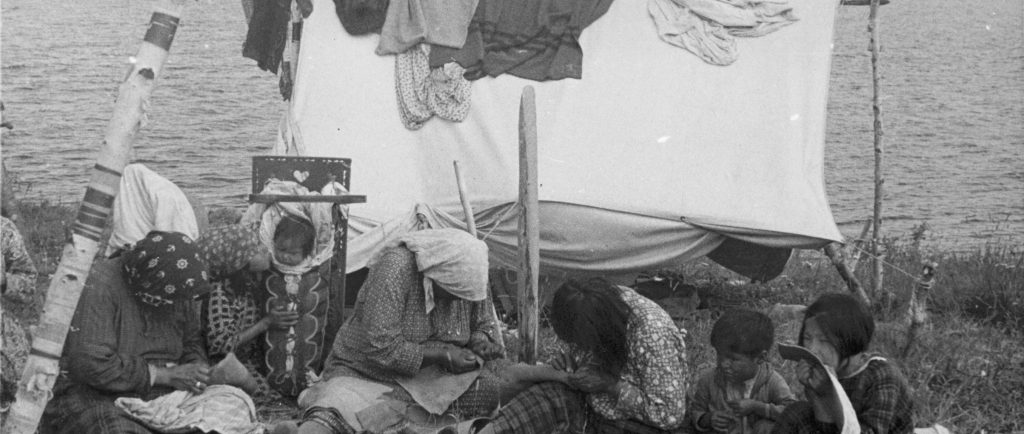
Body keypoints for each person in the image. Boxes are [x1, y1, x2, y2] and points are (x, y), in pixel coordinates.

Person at [289, 228, 507, 434]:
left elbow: (482, 322)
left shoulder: (472, 275)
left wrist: (480, 342)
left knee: (490, 389)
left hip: (430, 378)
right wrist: (443, 355)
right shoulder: (395, 268)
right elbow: (380, 347)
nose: (460, 301)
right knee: (343, 402)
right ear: (437, 274)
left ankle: (390, 415)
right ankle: (342, 414)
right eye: (455, 294)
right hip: (367, 372)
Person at [41, 231, 255, 434]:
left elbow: (191, 340)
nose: (179, 305)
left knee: (233, 403)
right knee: (109, 425)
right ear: (150, 285)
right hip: (103, 393)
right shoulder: (100, 284)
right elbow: (91, 365)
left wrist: (197, 368)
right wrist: (162, 375)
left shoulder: (180, 286)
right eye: (171, 301)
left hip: (168, 394)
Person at [479, 277, 688, 433]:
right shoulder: (595, 308)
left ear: (600, 331)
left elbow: (669, 415)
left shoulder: (652, 333)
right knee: (548, 395)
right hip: (591, 407)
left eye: (581, 343)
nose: (579, 348)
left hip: (634, 425)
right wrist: (569, 362)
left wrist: (611, 386)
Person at [772, 293, 914, 434]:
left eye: (824, 340)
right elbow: (825, 426)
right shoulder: (827, 371)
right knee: (796, 412)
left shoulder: (882, 376)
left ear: (849, 341)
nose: (812, 349)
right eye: (807, 338)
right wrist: (818, 396)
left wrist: (828, 393)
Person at [689, 309, 796, 434]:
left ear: (760, 358)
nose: (723, 364)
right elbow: (695, 412)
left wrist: (757, 407)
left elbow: (793, 413)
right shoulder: (708, 380)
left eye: (733, 359)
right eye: (720, 354)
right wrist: (708, 419)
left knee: (765, 427)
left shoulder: (772, 381)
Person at [1, 216, 38, 413]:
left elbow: (29, 284)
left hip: (3, 336)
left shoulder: (4, 230)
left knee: (25, 398)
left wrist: (5, 281)